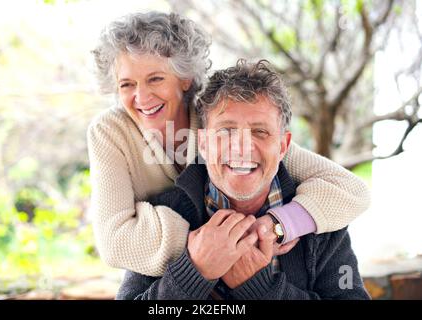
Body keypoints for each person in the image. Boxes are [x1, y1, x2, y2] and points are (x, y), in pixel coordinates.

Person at [87, 11, 371, 277]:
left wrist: (278, 224)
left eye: (156, 79)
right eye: (127, 85)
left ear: (185, 79)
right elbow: (115, 242)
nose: (142, 97)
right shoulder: (109, 132)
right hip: (168, 274)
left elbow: (350, 190)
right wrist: (209, 246)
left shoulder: (221, 118)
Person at [116, 60, 370, 300]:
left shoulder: (322, 218)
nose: (242, 148)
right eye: (225, 131)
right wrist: (193, 272)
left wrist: (258, 288)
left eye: (260, 132)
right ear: (203, 143)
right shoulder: (162, 214)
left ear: (283, 146)